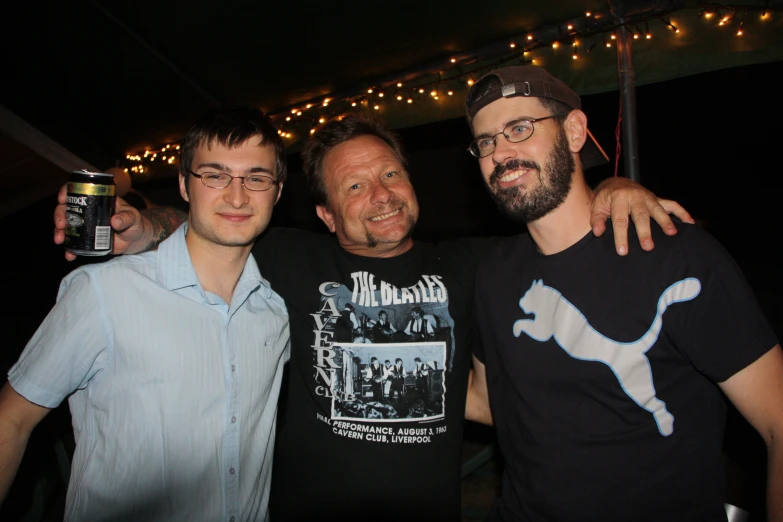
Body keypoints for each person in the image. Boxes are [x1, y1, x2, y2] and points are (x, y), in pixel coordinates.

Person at [50, 112, 694, 521]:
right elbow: (213, 223)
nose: (380, 195)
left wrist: (611, 190)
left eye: (389, 175)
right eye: (354, 187)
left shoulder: (479, 265)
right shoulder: (289, 257)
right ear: (326, 215)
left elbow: (563, 228)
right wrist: (141, 225)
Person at [465, 65, 783, 522]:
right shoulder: (494, 273)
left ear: (574, 131)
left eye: (519, 128)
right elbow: (492, 400)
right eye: (487, 142)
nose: (501, 153)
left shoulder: (670, 253)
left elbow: (778, 421)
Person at [0, 105, 290, 521]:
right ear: (185, 186)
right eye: (214, 174)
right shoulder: (105, 292)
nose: (238, 195)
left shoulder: (275, 310)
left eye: (256, 178)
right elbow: (11, 420)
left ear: (277, 192)